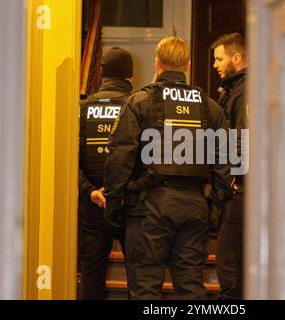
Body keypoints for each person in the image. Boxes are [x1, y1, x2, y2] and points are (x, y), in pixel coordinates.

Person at [103, 36, 232, 300]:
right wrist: (216, 208)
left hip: (149, 208)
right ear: (187, 63)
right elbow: (227, 163)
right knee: (191, 288)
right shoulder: (211, 108)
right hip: (195, 206)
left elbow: (120, 157)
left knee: (145, 289)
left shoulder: (140, 102)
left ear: (157, 63)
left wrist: (114, 203)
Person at [79, 47, 134, 300]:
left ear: (102, 75)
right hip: (129, 203)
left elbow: (71, 161)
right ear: (129, 76)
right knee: (138, 274)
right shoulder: (137, 105)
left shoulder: (82, 108)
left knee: (91, 275)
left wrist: (90, 191)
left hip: (91, 206)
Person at [211, 32, 248, 300]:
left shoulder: (245, 90)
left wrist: (233, 178)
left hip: (243, 189)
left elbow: (245, 137)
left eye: (219, 59)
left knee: (228, 260)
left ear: (237, 57)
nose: (215, 65)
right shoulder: (236, 89)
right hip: (242, 188)